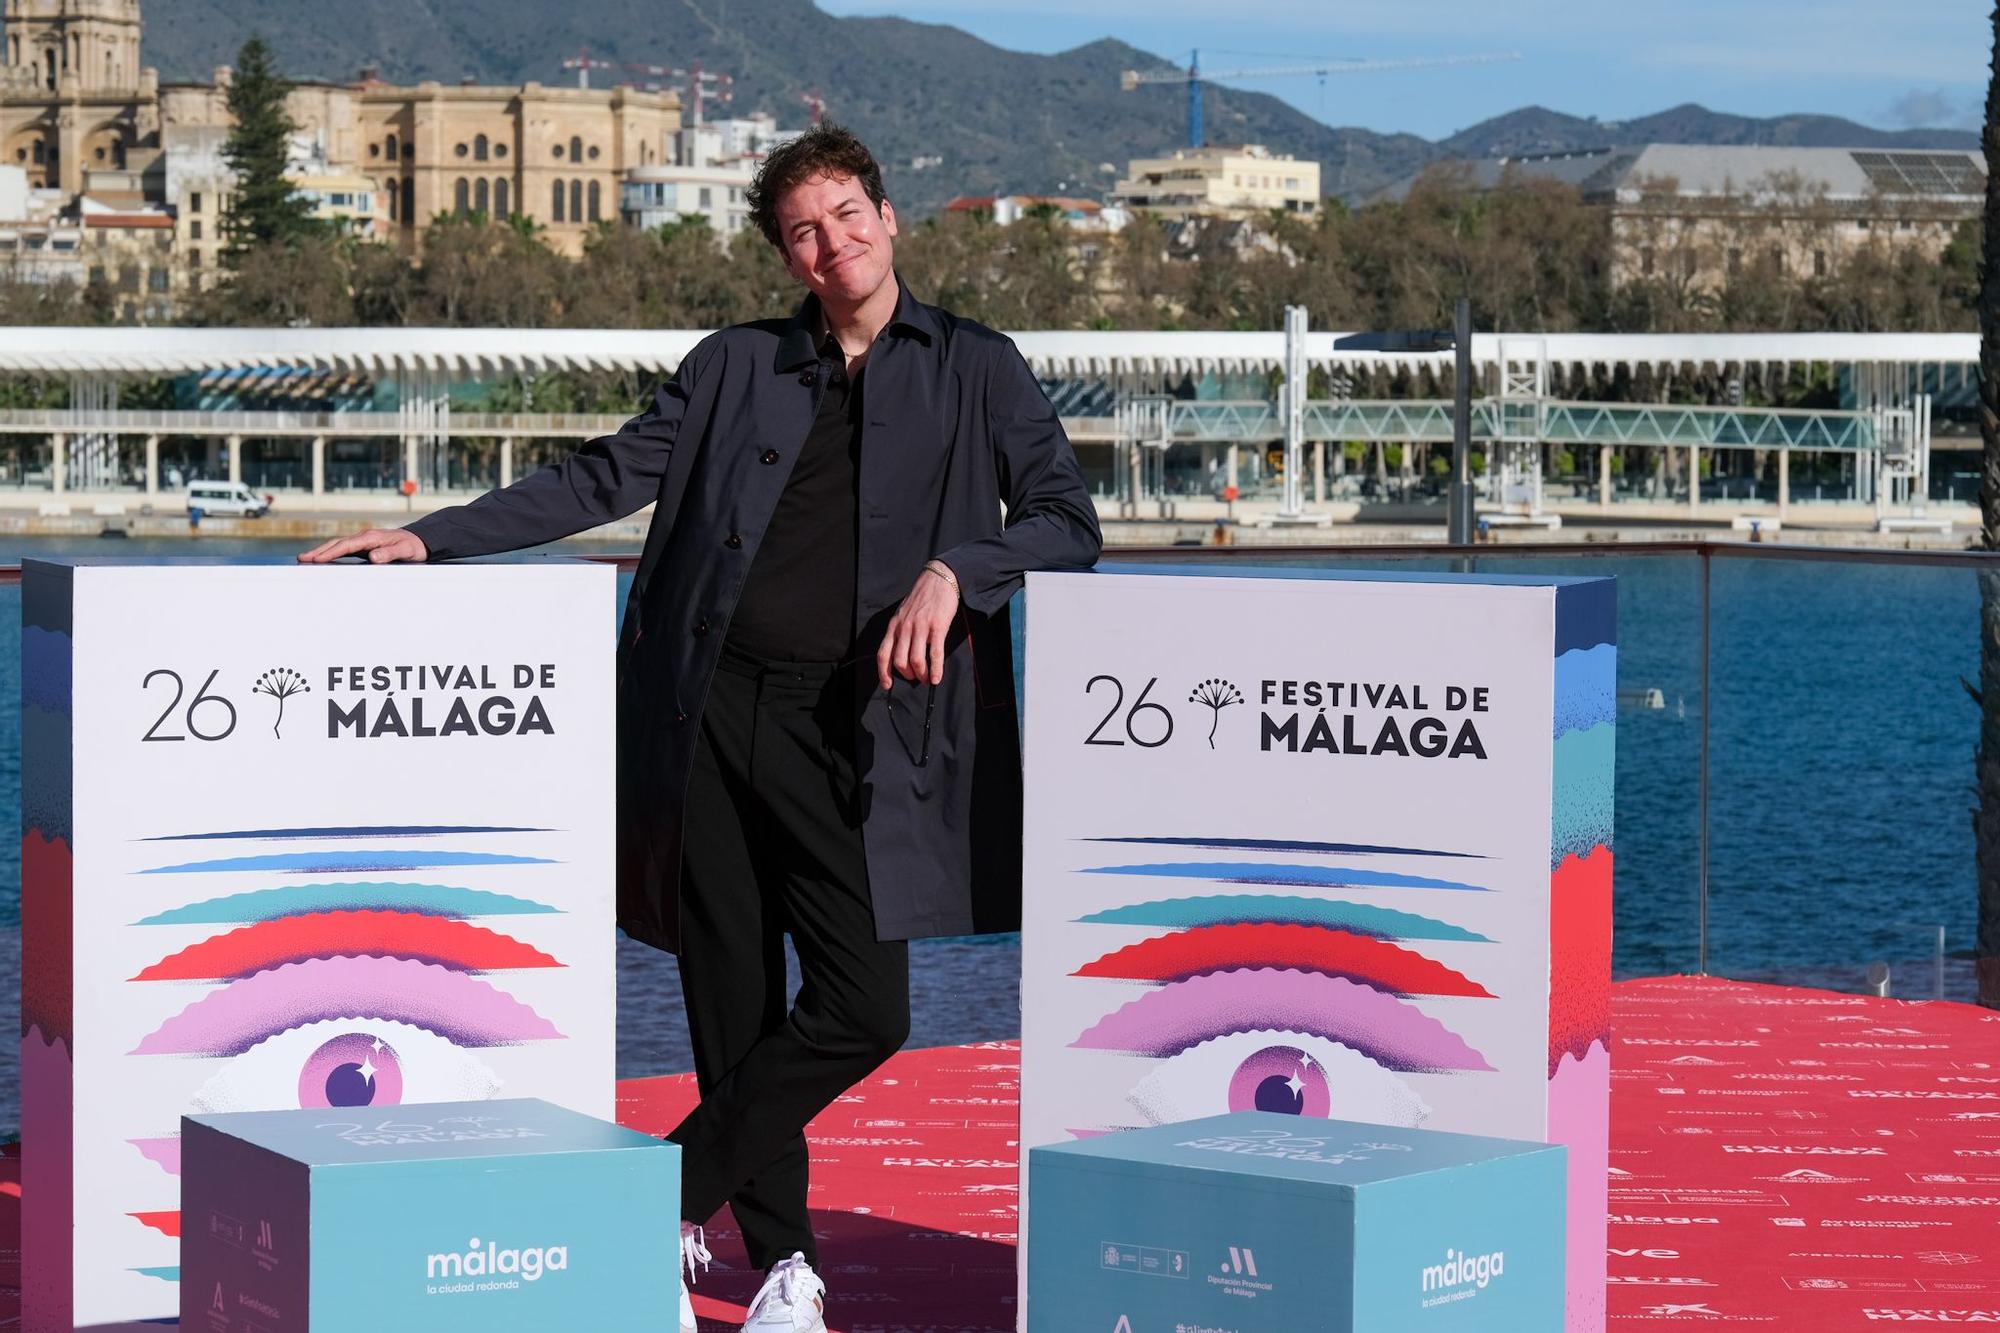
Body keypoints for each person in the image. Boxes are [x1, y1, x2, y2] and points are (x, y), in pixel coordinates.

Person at [299, 123, 1101, 1333]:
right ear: (788, 258)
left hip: (861, 732)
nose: (831, 245)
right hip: (710, 713)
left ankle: (657, 1195)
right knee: (730, 1003)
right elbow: (600, 477)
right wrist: (430, 535)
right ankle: (783, 1270)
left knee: (862, 1008)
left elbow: (1062, 518)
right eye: (802, 234)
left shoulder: (976, 368)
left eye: (844, 216)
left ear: (886, 218)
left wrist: (958, 569)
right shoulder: (733, 365)